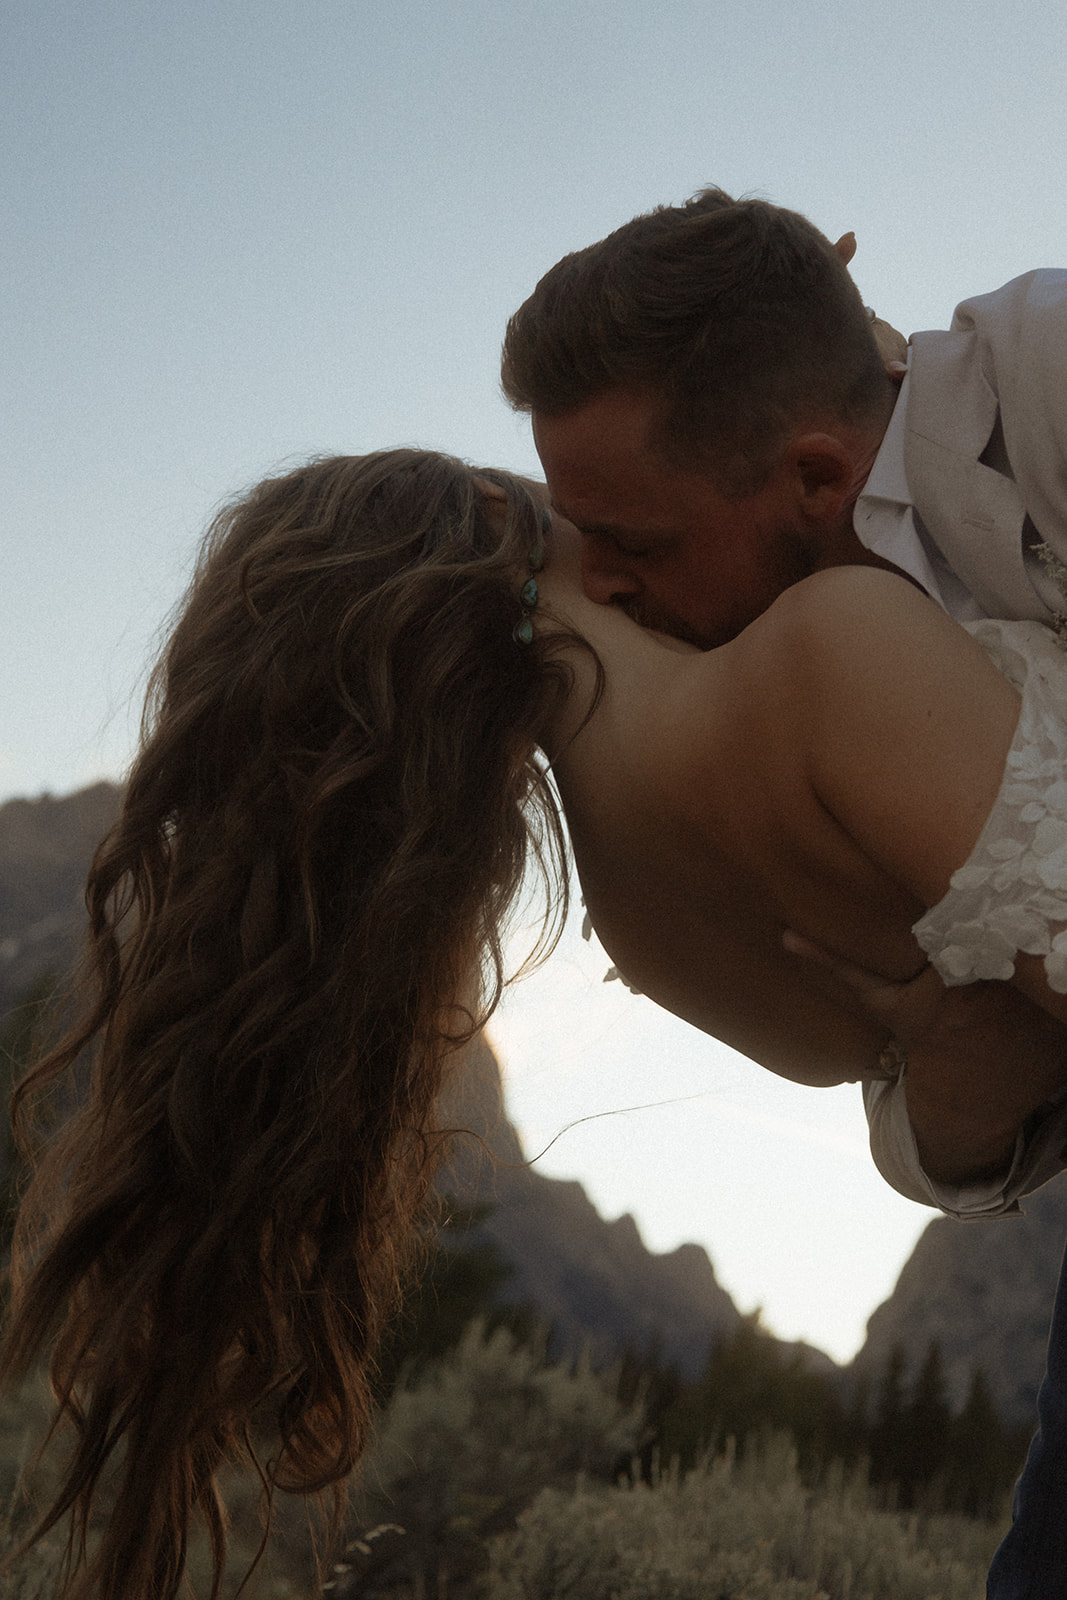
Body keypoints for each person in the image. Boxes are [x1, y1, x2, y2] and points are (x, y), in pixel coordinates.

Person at [6, 447, 1067, 1599]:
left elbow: (950, 1089)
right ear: (494, 503)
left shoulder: (645, 926)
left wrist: (975, 1070)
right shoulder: (823, 642)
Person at [501, 187, 1067, 1597]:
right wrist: (952, 1057)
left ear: (813, 478)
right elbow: (914, 1107)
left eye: (631, 537)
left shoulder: (1046, 381)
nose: (607, 587)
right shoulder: (756, 690)